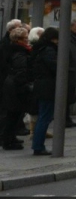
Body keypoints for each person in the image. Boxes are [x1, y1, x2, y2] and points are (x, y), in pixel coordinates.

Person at [1, 26, 32, 150]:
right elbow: (20, 70)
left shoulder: (14, 50)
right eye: (25, 38)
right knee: (12, 115)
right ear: (18, 39)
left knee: (15, 114)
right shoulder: (19, 52)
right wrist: (24, 85)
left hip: (12, 84)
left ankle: (10, 138)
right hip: (15, 86)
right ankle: (7, 140)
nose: (27, 40)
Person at [30, 27, 59, 156]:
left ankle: (38, 144)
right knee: (45, 116)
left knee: (43, 115)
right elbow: (55, 66)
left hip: (41, 84)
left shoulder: (39, 48)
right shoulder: (48, 50)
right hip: (47, 86)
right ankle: (38, 145)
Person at [26, 27, 51, 140]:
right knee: (36, 109)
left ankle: (37, 131)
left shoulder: (39, 48)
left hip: (36, 81)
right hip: (36, 81)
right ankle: (34, 132)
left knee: (38, 109)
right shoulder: (38, 48)